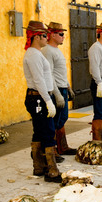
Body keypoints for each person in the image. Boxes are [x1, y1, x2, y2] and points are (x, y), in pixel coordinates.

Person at [23, 20, 62, 183]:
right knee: (47, 131)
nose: (47, 38)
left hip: (40, 96)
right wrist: (48, 100)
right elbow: (39, 80)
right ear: (37, 37)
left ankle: (39, 167)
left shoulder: (36, 53)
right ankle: (52, 171)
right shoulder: (33, 55)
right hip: (39, 97)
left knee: (39, 131)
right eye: (45, 35)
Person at [42, 22, 77, 157]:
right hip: (57, 90)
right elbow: (49, 74)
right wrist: (57, 94)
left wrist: (68, 87)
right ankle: (54, 149)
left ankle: (63, 146)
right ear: (53, 34)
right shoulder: (47, 51)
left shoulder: (56, 50)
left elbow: (60, 72)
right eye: (61, 34)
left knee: (62, 119)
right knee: (55, 121)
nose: (63, 37)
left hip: (63, 88)